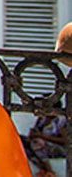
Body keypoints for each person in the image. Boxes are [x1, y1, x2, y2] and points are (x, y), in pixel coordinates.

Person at [25, 21, 72, 177]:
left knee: (39, 144)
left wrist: (40, 136)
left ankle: (48, 172)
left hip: (57, 148)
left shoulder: (59, 119)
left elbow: (65, 139)